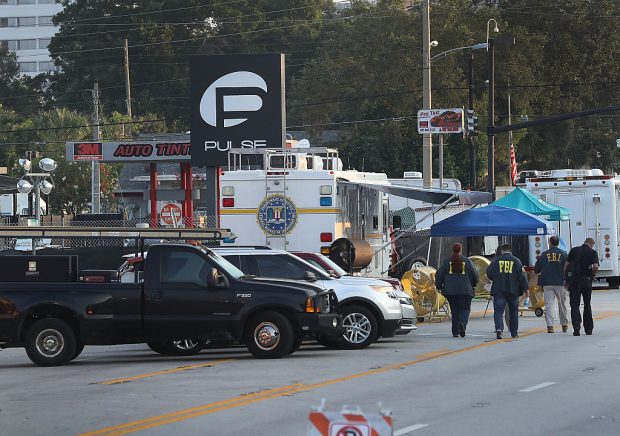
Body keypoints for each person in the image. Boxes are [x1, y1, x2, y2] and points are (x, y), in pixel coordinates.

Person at [435, 243, 479, 337]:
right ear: (461, 250)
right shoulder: (467, 261)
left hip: (451, 291)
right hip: (465, 291)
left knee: (454, 311)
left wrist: (439, 286)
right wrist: (474, 284)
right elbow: (475, 275)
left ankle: (455, 332)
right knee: (465, 309)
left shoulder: (447, 262)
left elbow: (439, 275)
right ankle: (462, 323)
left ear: (452, 250)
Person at [487, 243, 529, 339]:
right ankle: (514, 333)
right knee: (513, 311)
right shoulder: (517, 261)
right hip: (513, 291)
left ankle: (499, 329)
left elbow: (489, 273)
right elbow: (522, 277)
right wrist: (525, 289)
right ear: (511, 251)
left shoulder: (496, 261)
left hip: (499, 290)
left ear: (502, 251)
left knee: (498, 311)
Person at [535, 235, 569, 333]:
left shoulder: (544, 254)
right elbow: (568, 268)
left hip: (547, 283)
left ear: (550, 242)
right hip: (560, 282)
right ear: (558, 243)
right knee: (562, 304)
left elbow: (537, 269)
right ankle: (564, 324)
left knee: (548, 304)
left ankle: (550, 326)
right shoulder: (564, 254)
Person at [565, 238, 599, 336]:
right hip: (586, 280)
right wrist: (593, 275)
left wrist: (566, 279)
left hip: (574, 281)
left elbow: (566, 266)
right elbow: (595, 266)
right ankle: (588, 329)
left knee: (575, 305)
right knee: (587, 304)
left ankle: (576, 329)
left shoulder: (574, 250)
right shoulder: (592, 252)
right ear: (591, 244)